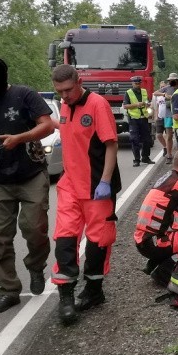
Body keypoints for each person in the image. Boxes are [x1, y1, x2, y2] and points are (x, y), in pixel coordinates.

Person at [0, 57, 54, 314]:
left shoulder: (24, 94)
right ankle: (9, 290)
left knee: (33, 227)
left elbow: (47, 125)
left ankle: (36, 267)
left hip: (31, 172)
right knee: (0, 237)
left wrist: (20, 138)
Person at [51, 64, 122, 325]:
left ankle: (94, 291)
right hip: (70, 186)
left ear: (79, 82)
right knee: (65, 240)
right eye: (59, 91)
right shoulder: (65, 107)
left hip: (96, 187)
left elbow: (111, 145)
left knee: (98, 241)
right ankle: (66, 296)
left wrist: (104, 181)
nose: (65, 95)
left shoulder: (97, 105)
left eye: (68, 90)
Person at [123, 75, 155, 167]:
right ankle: (136, 160)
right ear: (132, 83)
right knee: (134, 139)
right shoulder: (128, 93)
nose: (137, 85)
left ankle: (145, 157)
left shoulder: (144, 91)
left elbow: (147, 102)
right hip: (134, 119)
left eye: (139, 83)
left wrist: (148, 105)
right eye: (136, 83)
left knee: (147, 139)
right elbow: (125, 106)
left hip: (144, 118)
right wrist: (137, 104)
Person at [162, 73, 178, 162]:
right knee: (169, 135)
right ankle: (169, 155)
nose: (171, 82)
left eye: (173, 80)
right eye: (170, 80)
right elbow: (155, 93)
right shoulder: (167, 88)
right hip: (168, 114)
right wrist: (164, 95)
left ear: (177, 81)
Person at [151, 79, 168, 158]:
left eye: (163, 87)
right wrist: (155, 116)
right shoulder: (157, 96)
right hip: (160, 117)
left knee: (168, 135)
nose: (162, 88)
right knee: (159, 135)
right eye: (161, 87)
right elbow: (156, 106)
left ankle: (168, 149)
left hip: (168, 116)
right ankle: (165, 147)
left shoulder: (168, 94)